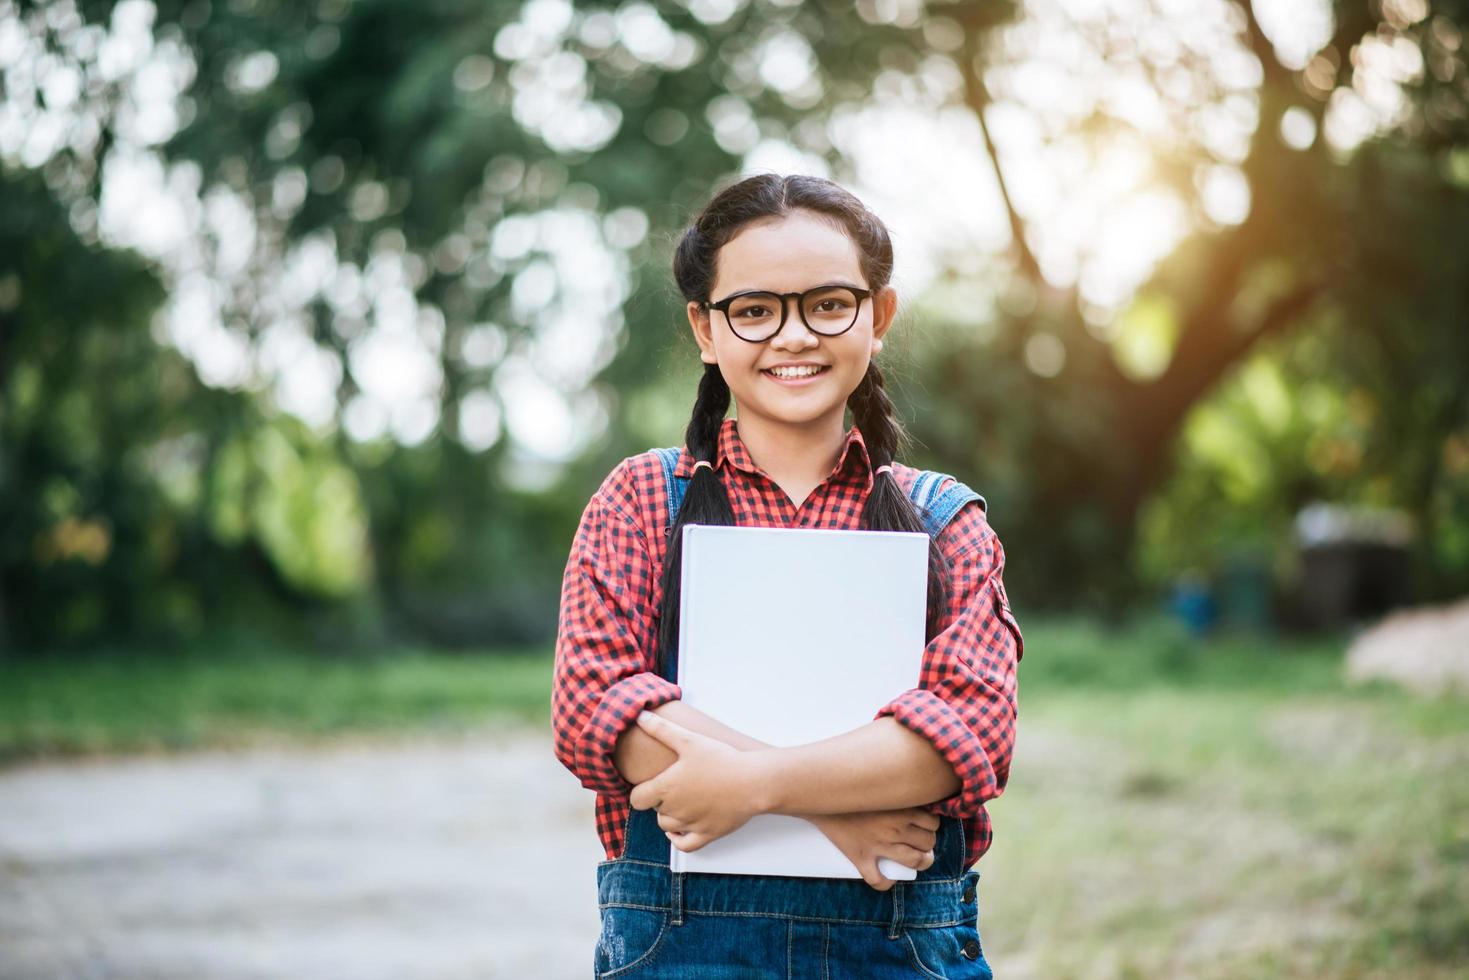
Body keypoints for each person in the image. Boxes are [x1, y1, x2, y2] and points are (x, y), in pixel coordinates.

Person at [551, 172, 1024, 978]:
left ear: (877, 317)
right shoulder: (639, 502)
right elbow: (599, 710)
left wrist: (755, 784)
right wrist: (838, 819)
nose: (793, 335)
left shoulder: (947, 523)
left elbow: (965, 734)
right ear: (705, 328)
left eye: (827, 304)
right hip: (680, 949)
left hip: (898, 949)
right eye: (755, 310)